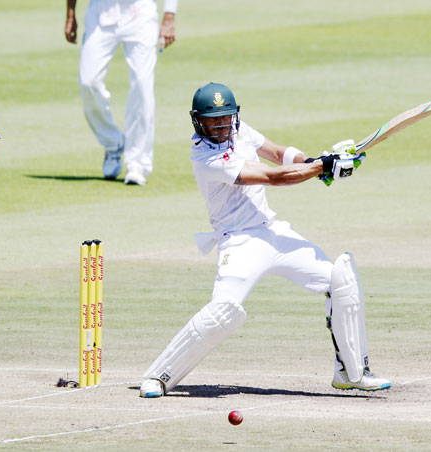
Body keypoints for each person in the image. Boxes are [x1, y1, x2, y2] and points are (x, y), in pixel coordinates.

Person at [139, 83, 391, 398]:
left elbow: (277, 153)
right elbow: (272, 176)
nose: (220, 126)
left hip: (273, 231)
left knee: (341, 280)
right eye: (211, 120)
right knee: (223, 311)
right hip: (240, 242)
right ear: (197, 121)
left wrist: (311, 159)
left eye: (224, 118)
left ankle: (352, 373)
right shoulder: (205, 157)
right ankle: (158, 377)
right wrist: (322, 167)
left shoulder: (239, 129)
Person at [64, 0, 178, 186]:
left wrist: (169, 16)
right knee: (88, 82)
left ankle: (138, 163)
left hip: (141, 13)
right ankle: (113, 142)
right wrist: (70, 13)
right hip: (100, 12)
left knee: (142, 85)